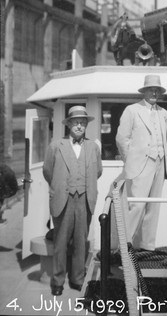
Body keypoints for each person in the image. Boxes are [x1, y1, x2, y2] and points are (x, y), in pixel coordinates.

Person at [43, 105, 102, 296]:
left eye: (82, 123)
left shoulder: (93, 147)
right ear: (68, 124)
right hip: (63, 199)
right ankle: (57, 281)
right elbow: (48, 172)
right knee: (60, 242)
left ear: (86, 125)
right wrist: (61, 187)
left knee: (80, 242)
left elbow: (98, 172)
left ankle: (77, 279)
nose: (79, 126)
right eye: (75, 122)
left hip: (85, 199)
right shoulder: (55, 146)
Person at [116, 74, 167, 251]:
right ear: (144, 91)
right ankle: (125, 247)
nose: (154, 92)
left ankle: (147, 247)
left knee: (153, 208)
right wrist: (131, 161)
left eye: (157, 90)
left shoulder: (164, 113)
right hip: (140, 166)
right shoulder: (132, 110)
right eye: (151, 89)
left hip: (160, 164)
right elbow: (122, 139)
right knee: (136, 206)